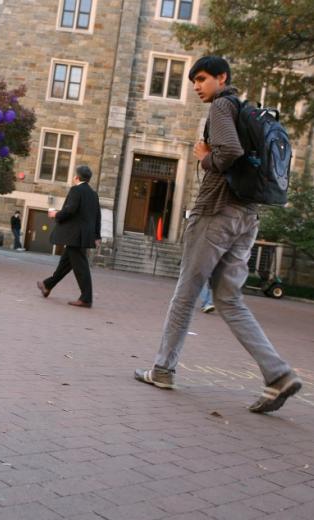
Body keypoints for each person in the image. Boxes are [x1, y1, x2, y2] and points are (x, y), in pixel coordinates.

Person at [134, 56, 301, 413]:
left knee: (186, 292)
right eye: (194, 80)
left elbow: (229, 152)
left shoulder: (222, 107)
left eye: (203, 78)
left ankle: (162, 369)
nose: (196, 85)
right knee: (228, 298)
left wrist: (204, 157)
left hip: (215, 215)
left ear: (222, 78)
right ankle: (278, 374)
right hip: (247, 217)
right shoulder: (245, 111)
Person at [36, 165, 101, 308]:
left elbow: (70, 210)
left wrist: (55, 215)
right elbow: (97, 217)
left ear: (77, 177)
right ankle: (47, 286)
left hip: (74, 235)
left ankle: (86, 299)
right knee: (65, 264)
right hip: (84, 235)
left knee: (81, 268)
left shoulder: (76, 190)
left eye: (74, 176)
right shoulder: (93, 194)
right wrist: (97, 236)